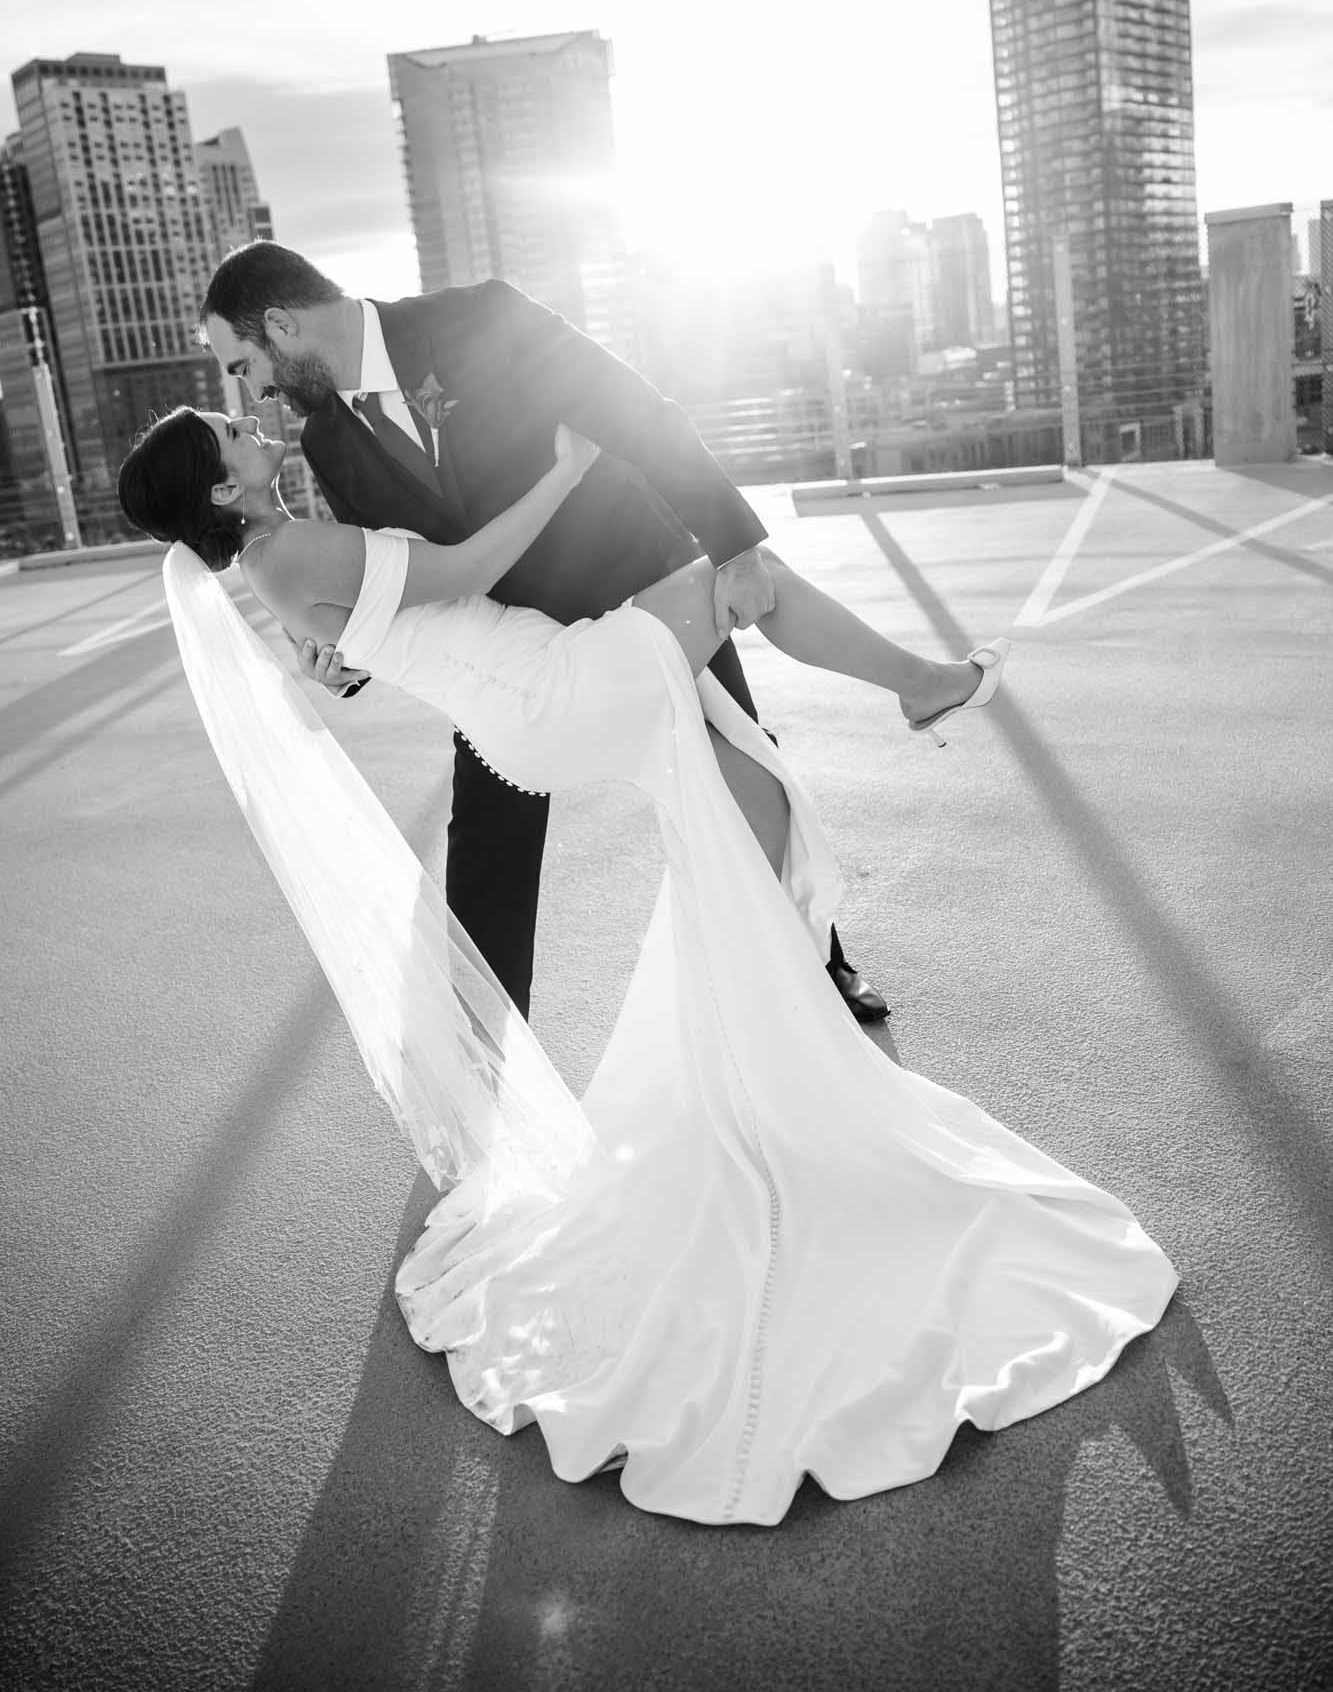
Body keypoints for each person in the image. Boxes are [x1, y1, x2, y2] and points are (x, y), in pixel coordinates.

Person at [117, 404, 1177, 1529]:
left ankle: (754, 1017)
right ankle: (915, 688)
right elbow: (472, 563)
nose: (247, 416)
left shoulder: (283, 555)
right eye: (227, 428)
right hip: (548, 686)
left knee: (746, 794)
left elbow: (359, 642)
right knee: (736, 577)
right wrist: (565, 468)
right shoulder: (295, 551)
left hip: (522, 697)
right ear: (225, 492)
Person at [197, 241, 892, 1028]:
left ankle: (820, 959)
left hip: (634, 578)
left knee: (740, 750)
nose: (249, 389)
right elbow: (394, 574)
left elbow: (638, 414)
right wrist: (341, 660)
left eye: (242, 363)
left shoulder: (476, 318)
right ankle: (490, 1047)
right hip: (513, 650)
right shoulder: (327, 440)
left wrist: (733, 548)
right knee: (489, 829)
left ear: (283, 325)